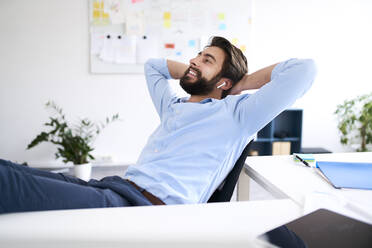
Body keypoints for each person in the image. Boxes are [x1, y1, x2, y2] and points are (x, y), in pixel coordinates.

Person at [0, 36, 316, 214]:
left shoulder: (238, 114)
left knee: (8, 184)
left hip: (145, 208)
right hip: (115, 188)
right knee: (10, 170)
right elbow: (153, 67)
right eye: (198, 54)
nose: (194, 60)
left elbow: (304, 70)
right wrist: (197, 71)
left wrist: (239, 84)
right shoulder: (173, 108)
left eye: (207, 60)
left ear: (223, 80)